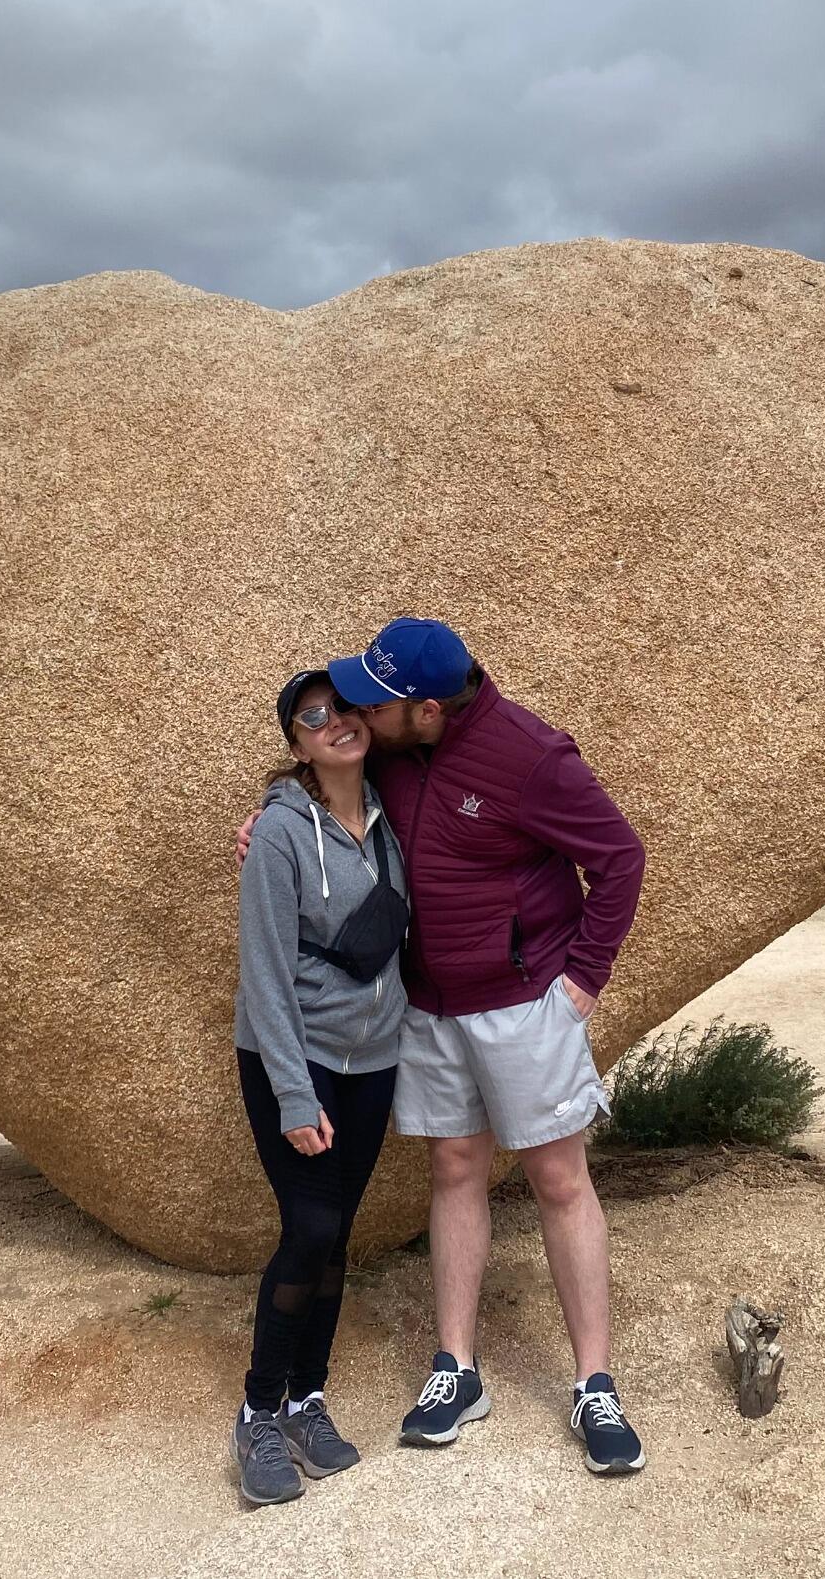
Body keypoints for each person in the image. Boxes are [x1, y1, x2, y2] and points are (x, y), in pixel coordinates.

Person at [327, 617, 648, 1476]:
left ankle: (594, 1384)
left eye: (378, 697)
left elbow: (619, 857)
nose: (360, 705)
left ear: (427, 709)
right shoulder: (391, 752)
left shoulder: (532, 756)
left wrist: (581, 980)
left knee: (558, 1180)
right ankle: (456, 1370)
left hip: (521, 1005)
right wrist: (270, 829)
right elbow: (324, 794)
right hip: (427, 1004)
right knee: (456, 1170)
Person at [229, 669, 412, 1506]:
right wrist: (295, 1096)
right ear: (296, 743)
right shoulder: (278, 832)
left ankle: (308, 1399)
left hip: (372, 1063)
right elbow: (264, 971)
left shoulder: (391, 810)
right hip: (293, 1062)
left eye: (343, 707)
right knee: (307, 1227)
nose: (335, 721)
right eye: (314, 716)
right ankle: (259, 1411)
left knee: (338, 1233)